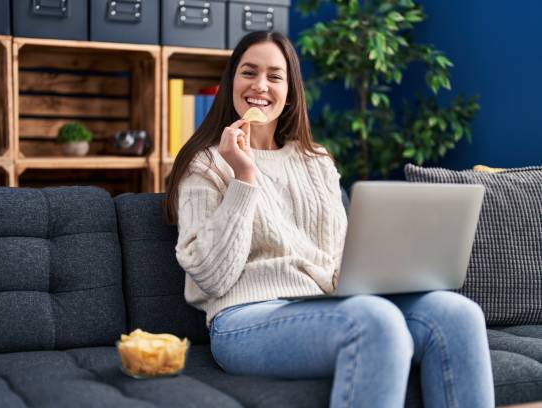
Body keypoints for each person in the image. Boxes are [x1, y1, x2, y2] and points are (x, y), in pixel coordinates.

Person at [162, 31, 494, 408]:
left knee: (458, 314)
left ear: (290, 90)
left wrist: (375, 276)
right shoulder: (204, 165)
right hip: (243, 319)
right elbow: (210, 277)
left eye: (274, 76)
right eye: (248, 73)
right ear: (230, 82)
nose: (260, 86)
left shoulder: (317, 161)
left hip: (325, 306)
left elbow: (339, 257)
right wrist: (243, 179)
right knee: (375, 322)